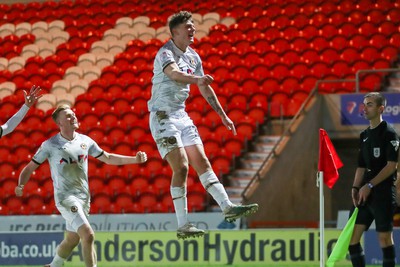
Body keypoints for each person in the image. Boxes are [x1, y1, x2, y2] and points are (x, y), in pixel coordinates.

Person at [147, 10, 258, 240]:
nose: (193, 30)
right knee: (183, 167)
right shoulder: (165, 53)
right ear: (175, 31)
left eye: (193, 26)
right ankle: (183, 225)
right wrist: (197, 80)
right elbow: (174, 74)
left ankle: (227, 207)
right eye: (188, 27)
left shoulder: (194, 57)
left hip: (181, 114)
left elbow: (205, 87)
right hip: (162, 116)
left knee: (203, 162)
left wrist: (223, 116)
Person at [15, 104, 148, 267]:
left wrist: (135, 159)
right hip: (66, 198)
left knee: (72, 240)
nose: (73, 117)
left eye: (73, 114)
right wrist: (21, 184)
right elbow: (29, 168)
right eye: (68, 116)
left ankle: (54, 265)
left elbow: (107, 157)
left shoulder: (85, 141)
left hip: (84, 198)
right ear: (60, 123)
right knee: (88, 234)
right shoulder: (50, 145)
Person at [349, 92, 399, 267]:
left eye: (369, 104)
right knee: (352, 241)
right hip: (364, 194)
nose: (365, 107)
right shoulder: (364, 135)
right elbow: (361, 166)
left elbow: (392, 166)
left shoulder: (389, 134)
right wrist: (355, 188)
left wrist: (369, 185)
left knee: (384, 239)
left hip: (383, 192)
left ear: (381, 109)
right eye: (364, 104)